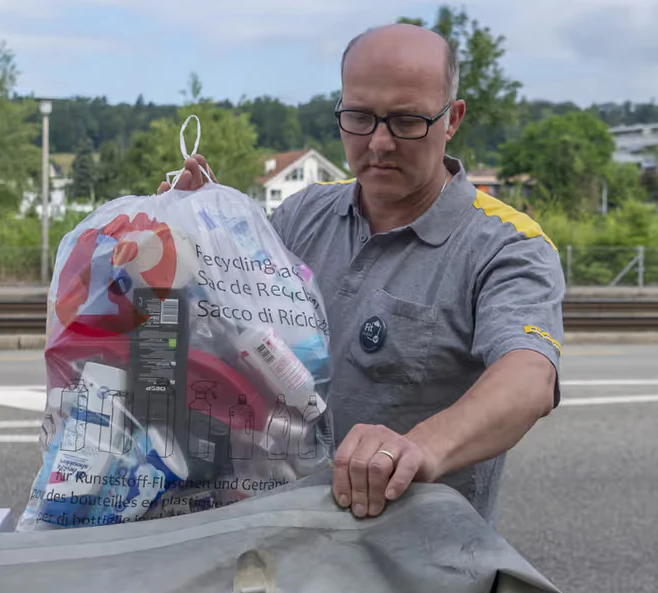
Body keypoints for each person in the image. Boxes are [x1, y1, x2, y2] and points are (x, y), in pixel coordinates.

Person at [161, 22, 564, 527]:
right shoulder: (301, 213)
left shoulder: (506, 244)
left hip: (416, 570)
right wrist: (192, 235)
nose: (379, 143)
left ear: (452, 119)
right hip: (279, 545)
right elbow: (227, 322)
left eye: (406, 121)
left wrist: (417, 449)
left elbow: (528, 378)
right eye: (359, 117)